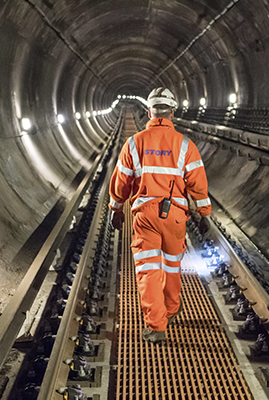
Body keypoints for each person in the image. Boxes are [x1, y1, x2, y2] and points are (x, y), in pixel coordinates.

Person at [108, 87, 212, 343]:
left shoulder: (134, 143)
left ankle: (156, 326)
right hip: (175, 215)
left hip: (145, 216)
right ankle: (171, 309)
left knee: (148, 270)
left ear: (148, 111)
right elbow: (197, 183)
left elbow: (122, 181)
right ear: (173, 113)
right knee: (172, 266)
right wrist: (203, 213)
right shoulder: (185, 145)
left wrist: (116, 208)